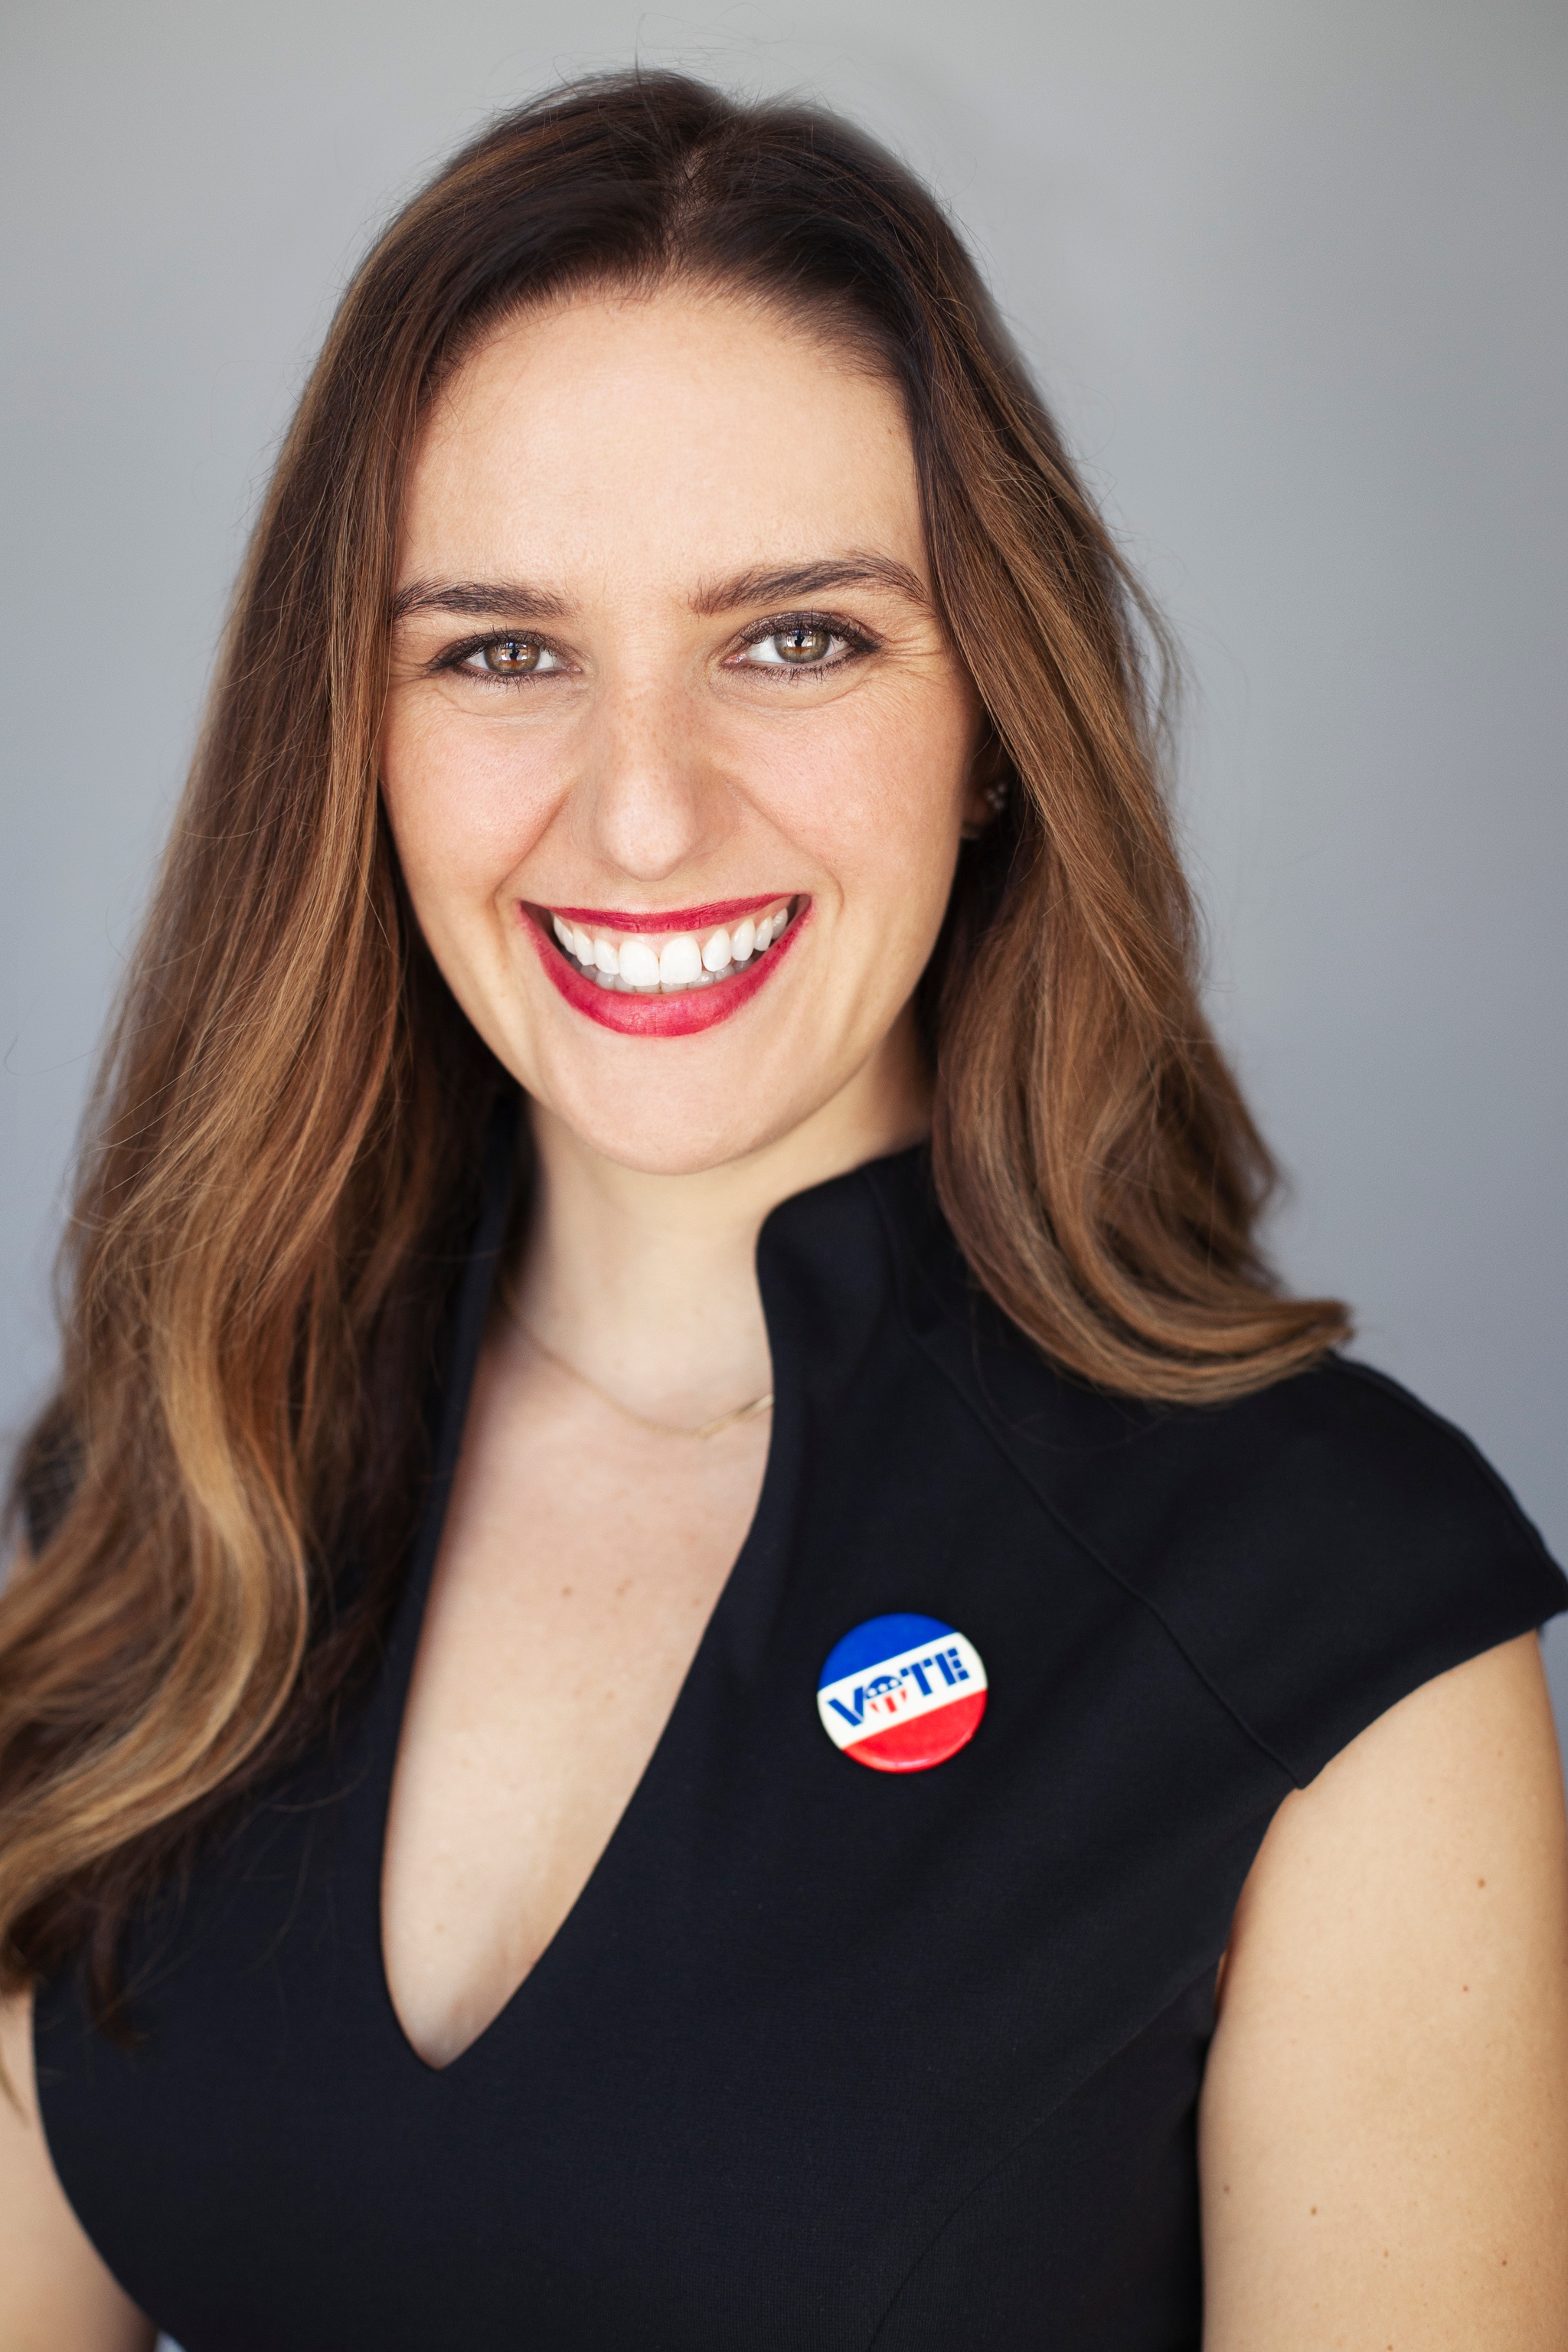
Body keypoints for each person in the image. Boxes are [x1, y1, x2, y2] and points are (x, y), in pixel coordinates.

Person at [2, 70, 1565, 2352]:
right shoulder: (189, 1478)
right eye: (503, 650)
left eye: (798, 637)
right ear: (353, 733)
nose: (642, 817)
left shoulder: (1325, 1623)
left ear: (996, 716)